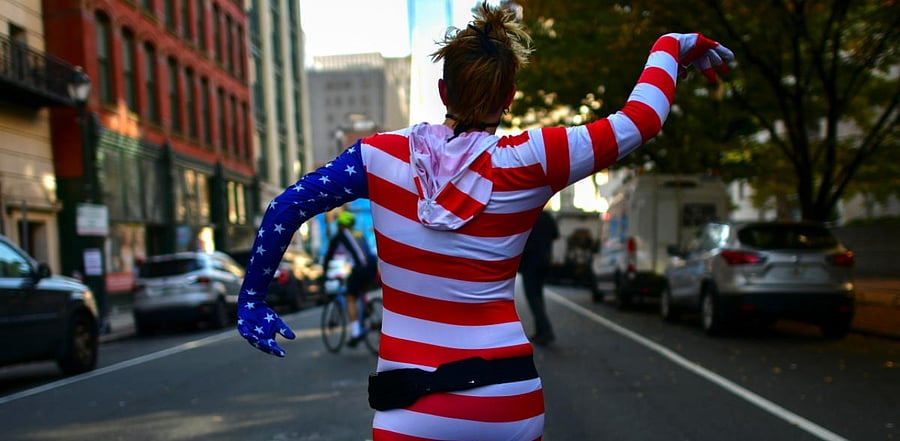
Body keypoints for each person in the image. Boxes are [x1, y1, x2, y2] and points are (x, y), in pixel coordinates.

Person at [236, 2, 733, 439]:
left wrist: (253, 297)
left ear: (442, 90)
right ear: (510, 96)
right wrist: (672, 45)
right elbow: (639, 121)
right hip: (507, 395)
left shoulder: (377, 157)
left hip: (410, 406)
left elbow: (286, 206)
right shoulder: (536, 158)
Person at [321, 210, 375, 347]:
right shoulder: (359, 234)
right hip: (372, 267)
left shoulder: (340, 235)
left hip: (359, 268)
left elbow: (328, 257)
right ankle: (368, 311)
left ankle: (356, 332)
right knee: (361, 291)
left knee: (350, 297)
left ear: (340, 224)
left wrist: (325, 274)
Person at [518, 208, 560, 346]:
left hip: (529, 262)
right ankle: (540, 331)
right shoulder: (546, 216)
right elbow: (555, 235)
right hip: (544, 261)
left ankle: (545, 330)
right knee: (538, 296)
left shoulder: (527, 215)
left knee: (532, 297)